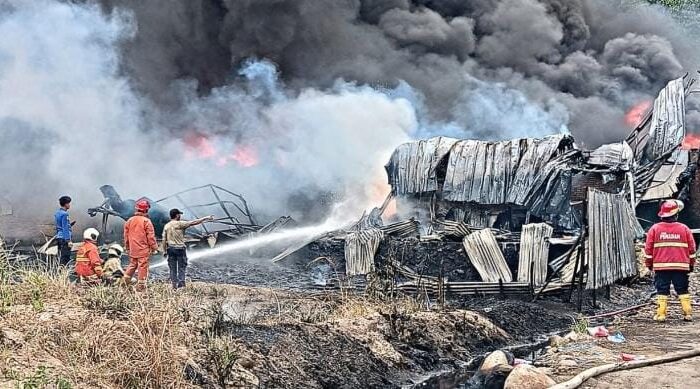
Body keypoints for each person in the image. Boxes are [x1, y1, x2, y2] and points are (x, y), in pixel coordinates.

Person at [645, 199, 696, 322]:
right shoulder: (684, 229)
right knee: (682, 289)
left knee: (662, 290)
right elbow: (692, 249)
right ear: (676, 214)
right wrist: (691, 265)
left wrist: (649, 265)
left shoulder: (655, 229)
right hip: (681, 267)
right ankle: (688, 314)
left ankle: (661, 315)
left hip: (661, 267)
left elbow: (648, 250)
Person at [162, 209, 214, 289]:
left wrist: (164, 251)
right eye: (179, 214)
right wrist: (206, 218)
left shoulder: (167, 226)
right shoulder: (180, 224)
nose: (180, 216)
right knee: (181, 267)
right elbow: (194, 222)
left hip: (170, 249)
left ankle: (174, 286)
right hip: (180, 249)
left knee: (172, 268)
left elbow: (164, 239)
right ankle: (181, 286)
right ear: (177, 215)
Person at [123, 199, 158, 291]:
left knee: (132, 264)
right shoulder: (146, 221)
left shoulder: (129, 221)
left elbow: (126, 236)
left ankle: (125, 281)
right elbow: (150, 237)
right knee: (142, 266)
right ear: (146, 210)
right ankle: (141, 286)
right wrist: (155, 248)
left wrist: (127, 247)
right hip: (143, 249)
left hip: (133, 249)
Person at [54, 195, 73, 266]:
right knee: (66, 257)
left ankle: (60, 271)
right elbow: (65, 228)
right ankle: (64, 272)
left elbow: (59, 226)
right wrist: (68, 240)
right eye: (68, 203)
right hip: (64, 238)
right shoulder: (65, 214)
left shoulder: (57, 213)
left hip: (59, 237)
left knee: (60, 256)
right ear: (66, 204)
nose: (69, 205)